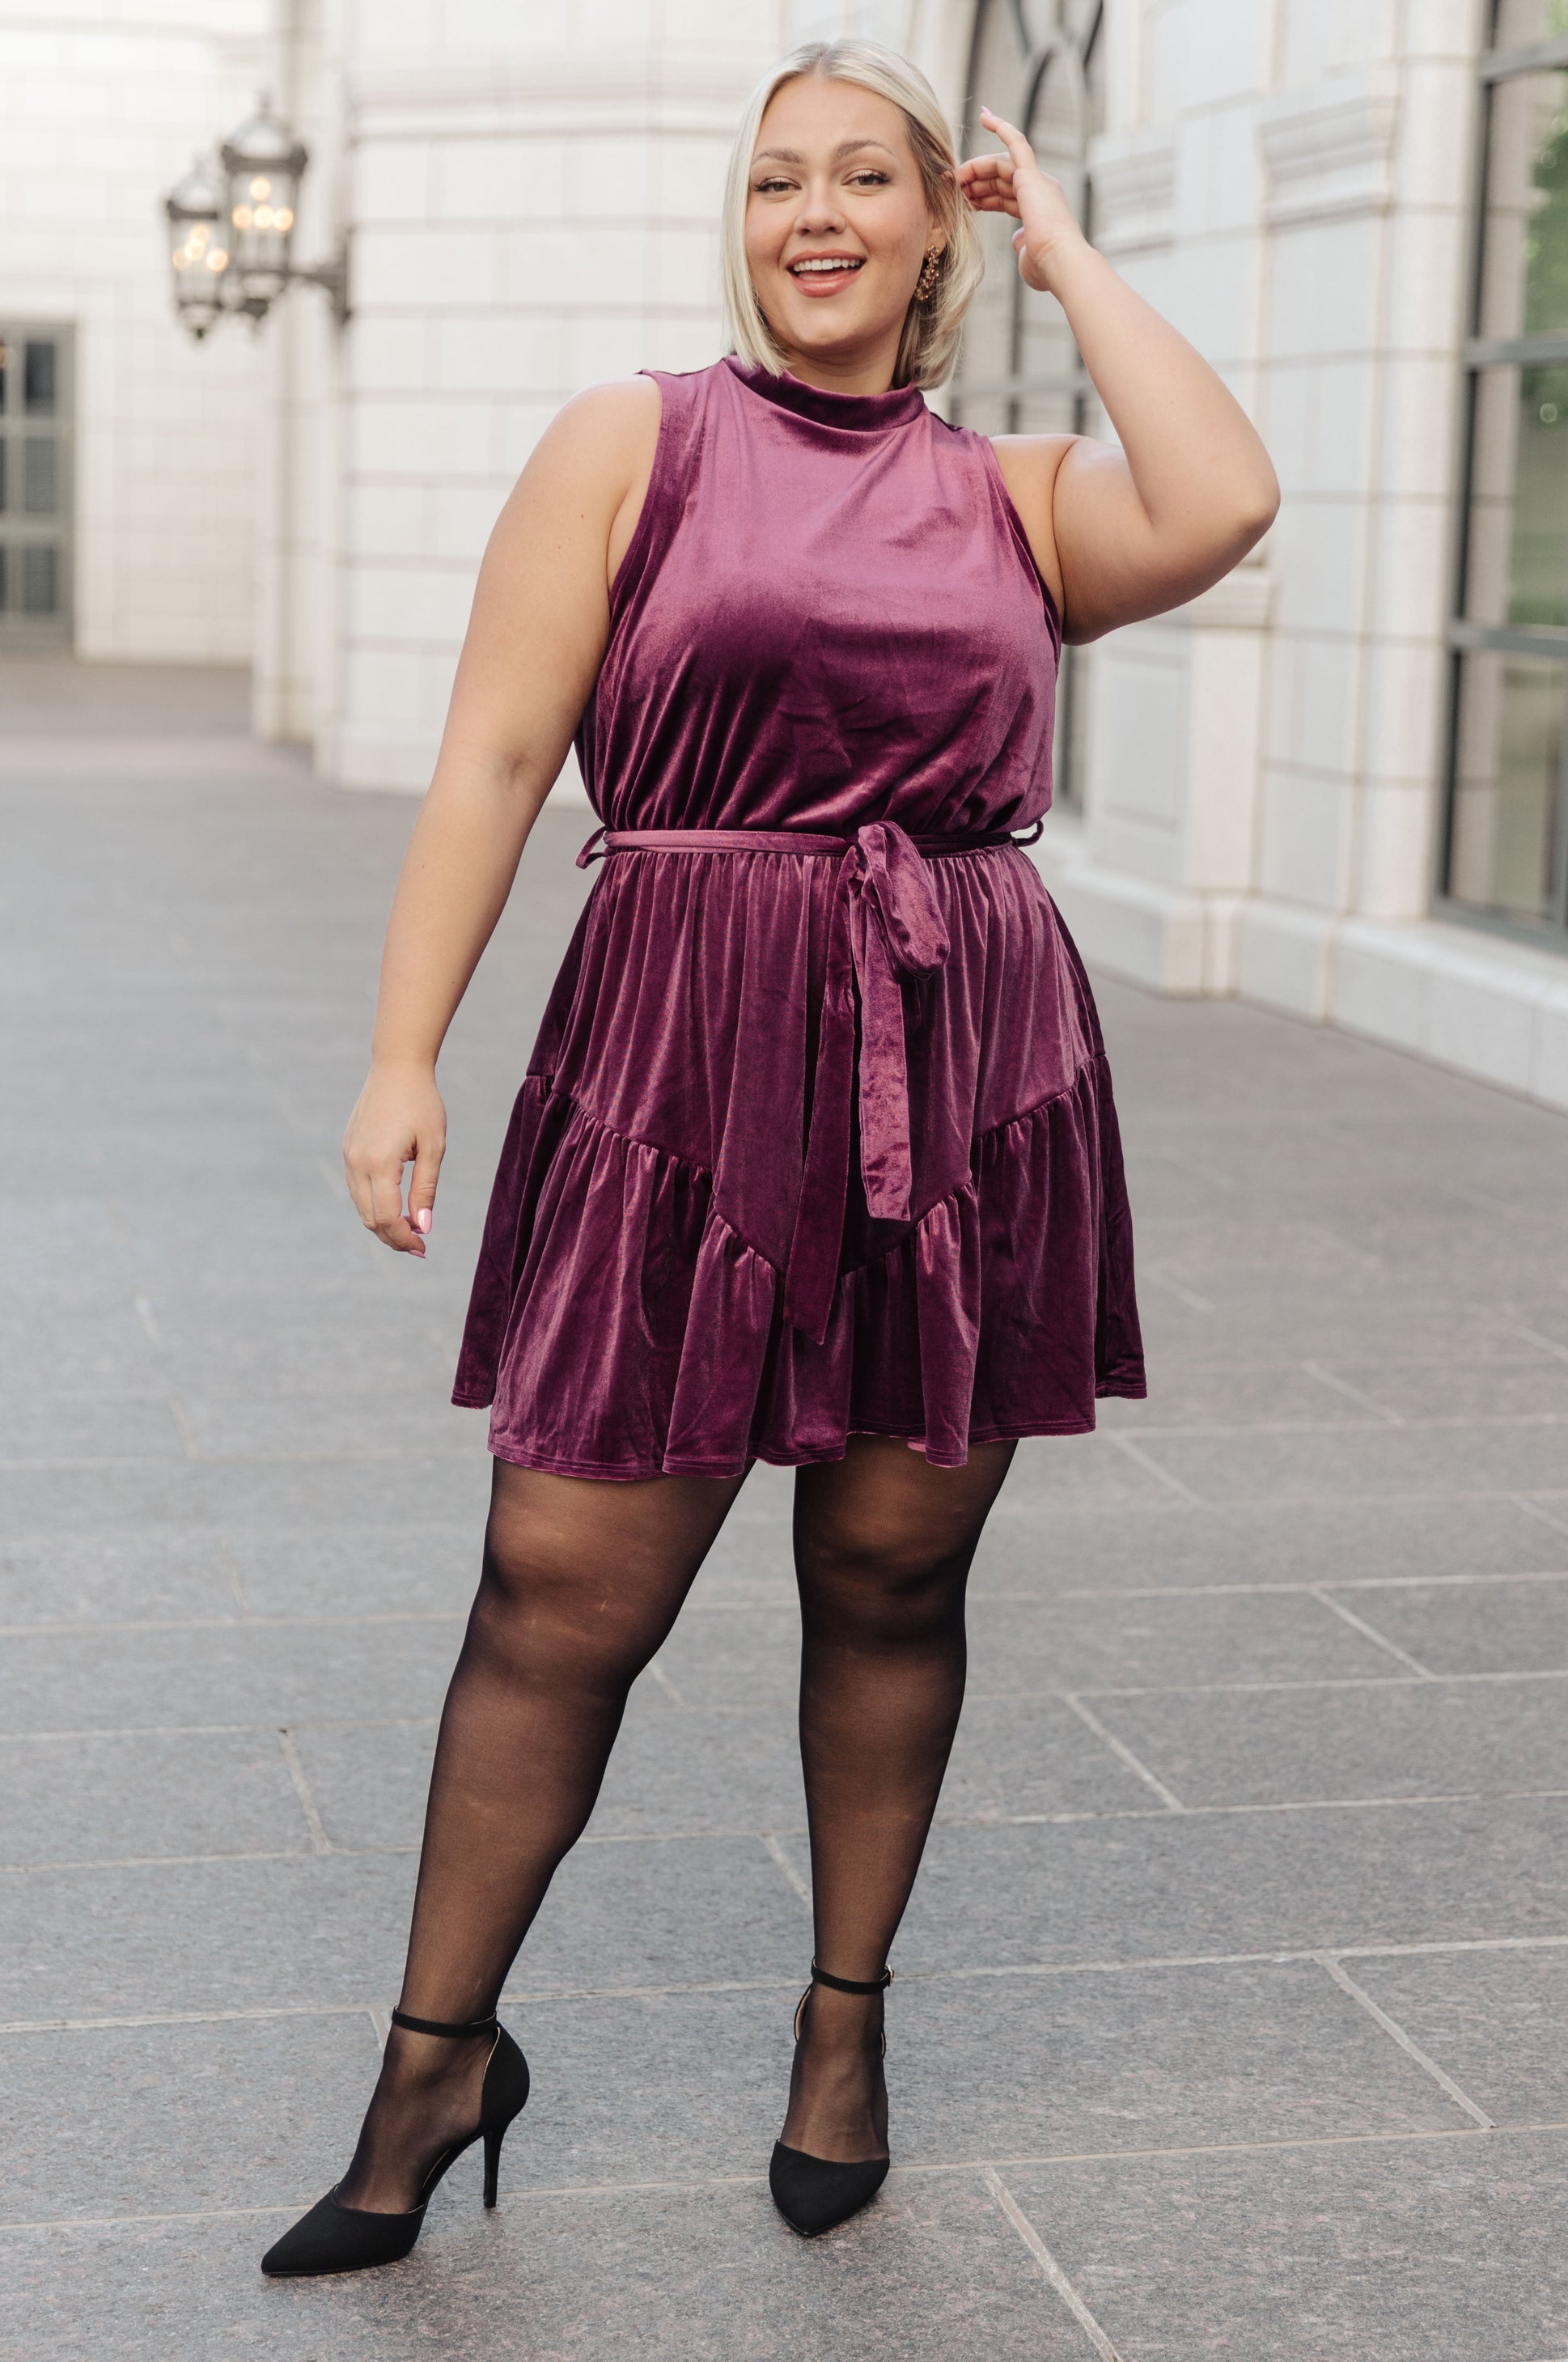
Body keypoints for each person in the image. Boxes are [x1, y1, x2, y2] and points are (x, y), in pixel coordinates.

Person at [261, 37, 1277, 2278]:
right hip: (682, 1050)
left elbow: (1216, 496)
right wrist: (400, 1052)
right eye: (770, 181)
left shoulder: (1009, 492)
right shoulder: (636, 441)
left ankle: (843, 2025)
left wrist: (1067, 239)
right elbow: (500, 755)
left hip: (959, 1047)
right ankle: (437, 2057)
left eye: (859, 181)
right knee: (557, 1586)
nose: (808, 213)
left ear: (931, 231)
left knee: (892, 1577)